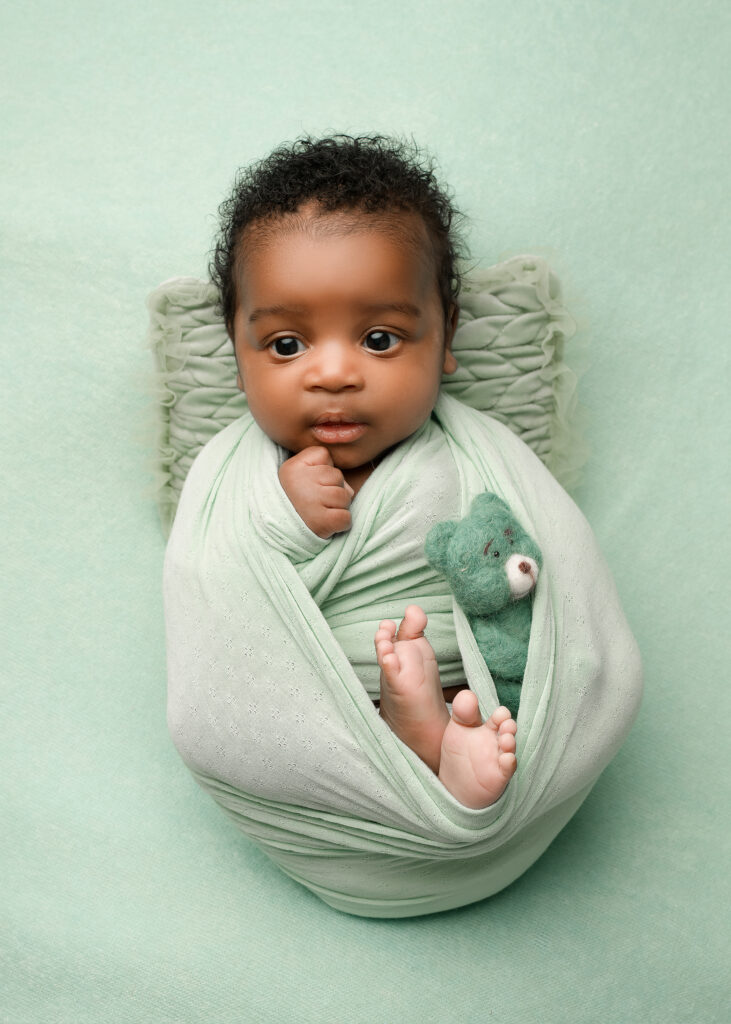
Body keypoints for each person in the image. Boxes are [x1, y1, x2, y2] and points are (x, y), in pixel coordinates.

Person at [208, 134, 519, 810]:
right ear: (237, 357)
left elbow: (541, 564)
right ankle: (411, 744)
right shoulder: (235, 480)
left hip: (454, 674)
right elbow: (216, 582)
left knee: (460, 691)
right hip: (318, 709)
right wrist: (279, 516)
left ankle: (433, 741)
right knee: (319, 716)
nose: (333, 375)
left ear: (445, 339)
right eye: (286, 345)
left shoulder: (475, 456)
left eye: (379, 339)